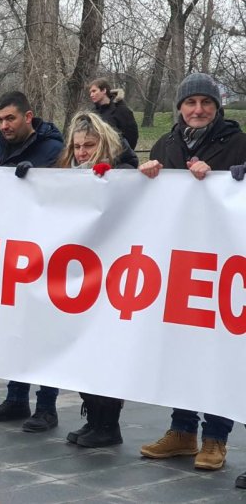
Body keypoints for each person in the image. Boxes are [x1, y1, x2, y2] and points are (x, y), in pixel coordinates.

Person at [137, 72, 246, 474]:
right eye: (190, 103)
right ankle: (181, 431)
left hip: (222, 267)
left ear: (217, 108)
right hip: (178, 264)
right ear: (179, 108)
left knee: (218, 350)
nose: (197, 110)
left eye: (206, 103)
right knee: (180, 347)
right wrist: (149, 176)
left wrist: (233, 179)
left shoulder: (238, 142)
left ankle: (216, 438)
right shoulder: (165, 145)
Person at [0, 91, 65, 433]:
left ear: (28, 116)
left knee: (43, 331)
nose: (3, 125)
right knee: (15, 329)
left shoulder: (52, 150)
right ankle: (16, 396)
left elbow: (64, 197)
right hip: (11, 255)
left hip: (46, 253)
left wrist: (40, 178)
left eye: (10, 119)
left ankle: (47, 405)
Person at [51, 111, 135, 447]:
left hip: (112, 277)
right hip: (78, 277)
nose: (83, 153)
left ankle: (108, 422)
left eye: (90, 145)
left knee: (105, 352)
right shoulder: (67, 176)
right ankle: (93, 416)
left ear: (105, 143)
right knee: (82, 351)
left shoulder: (123, 172)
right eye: (79, 147)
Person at [89, 78, 139, 149]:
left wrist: (123, 155)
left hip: (118, 156)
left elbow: (131, 137)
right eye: (90, 92)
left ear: (104, 90)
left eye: (94, 91)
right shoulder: (93, 112)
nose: (91, 95)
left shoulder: (122, 110)